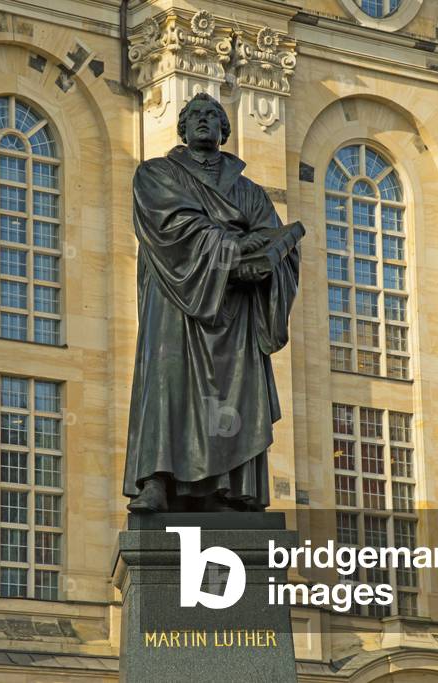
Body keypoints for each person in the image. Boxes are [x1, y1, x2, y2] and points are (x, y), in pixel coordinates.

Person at [123, 93, 301, 513]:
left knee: (234, 389)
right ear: (182, 129)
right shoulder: (156, 173)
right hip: (175, 297)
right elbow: (171, 225)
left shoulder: (249, 191)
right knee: (167, 382)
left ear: (224, 129)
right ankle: (157, 480)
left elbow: (274, 240)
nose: (203, 121)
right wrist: (234, 247)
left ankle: (231, 488)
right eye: (195, 116)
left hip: (234, 308)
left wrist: (267, 260)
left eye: (212, 116)